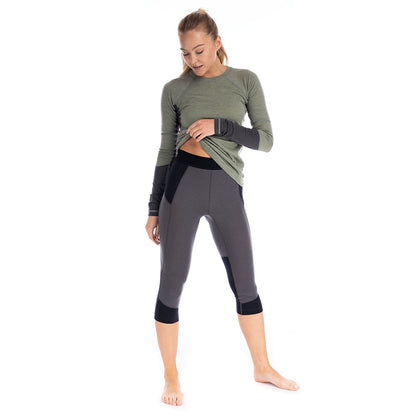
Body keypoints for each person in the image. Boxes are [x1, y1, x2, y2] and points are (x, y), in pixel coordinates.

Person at [145, 8, 299, 406]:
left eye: (199, 50)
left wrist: (221, 126)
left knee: (245, 282)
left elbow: (265, 140)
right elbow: (164, 149)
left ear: (217, 42)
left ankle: (263, 366)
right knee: (172, 282)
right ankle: (171, 376)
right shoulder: (174, 90)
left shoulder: (245, 81)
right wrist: (153, 208)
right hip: (182, 185)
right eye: (185, 53)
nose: (193, 60)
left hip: (227, 187)